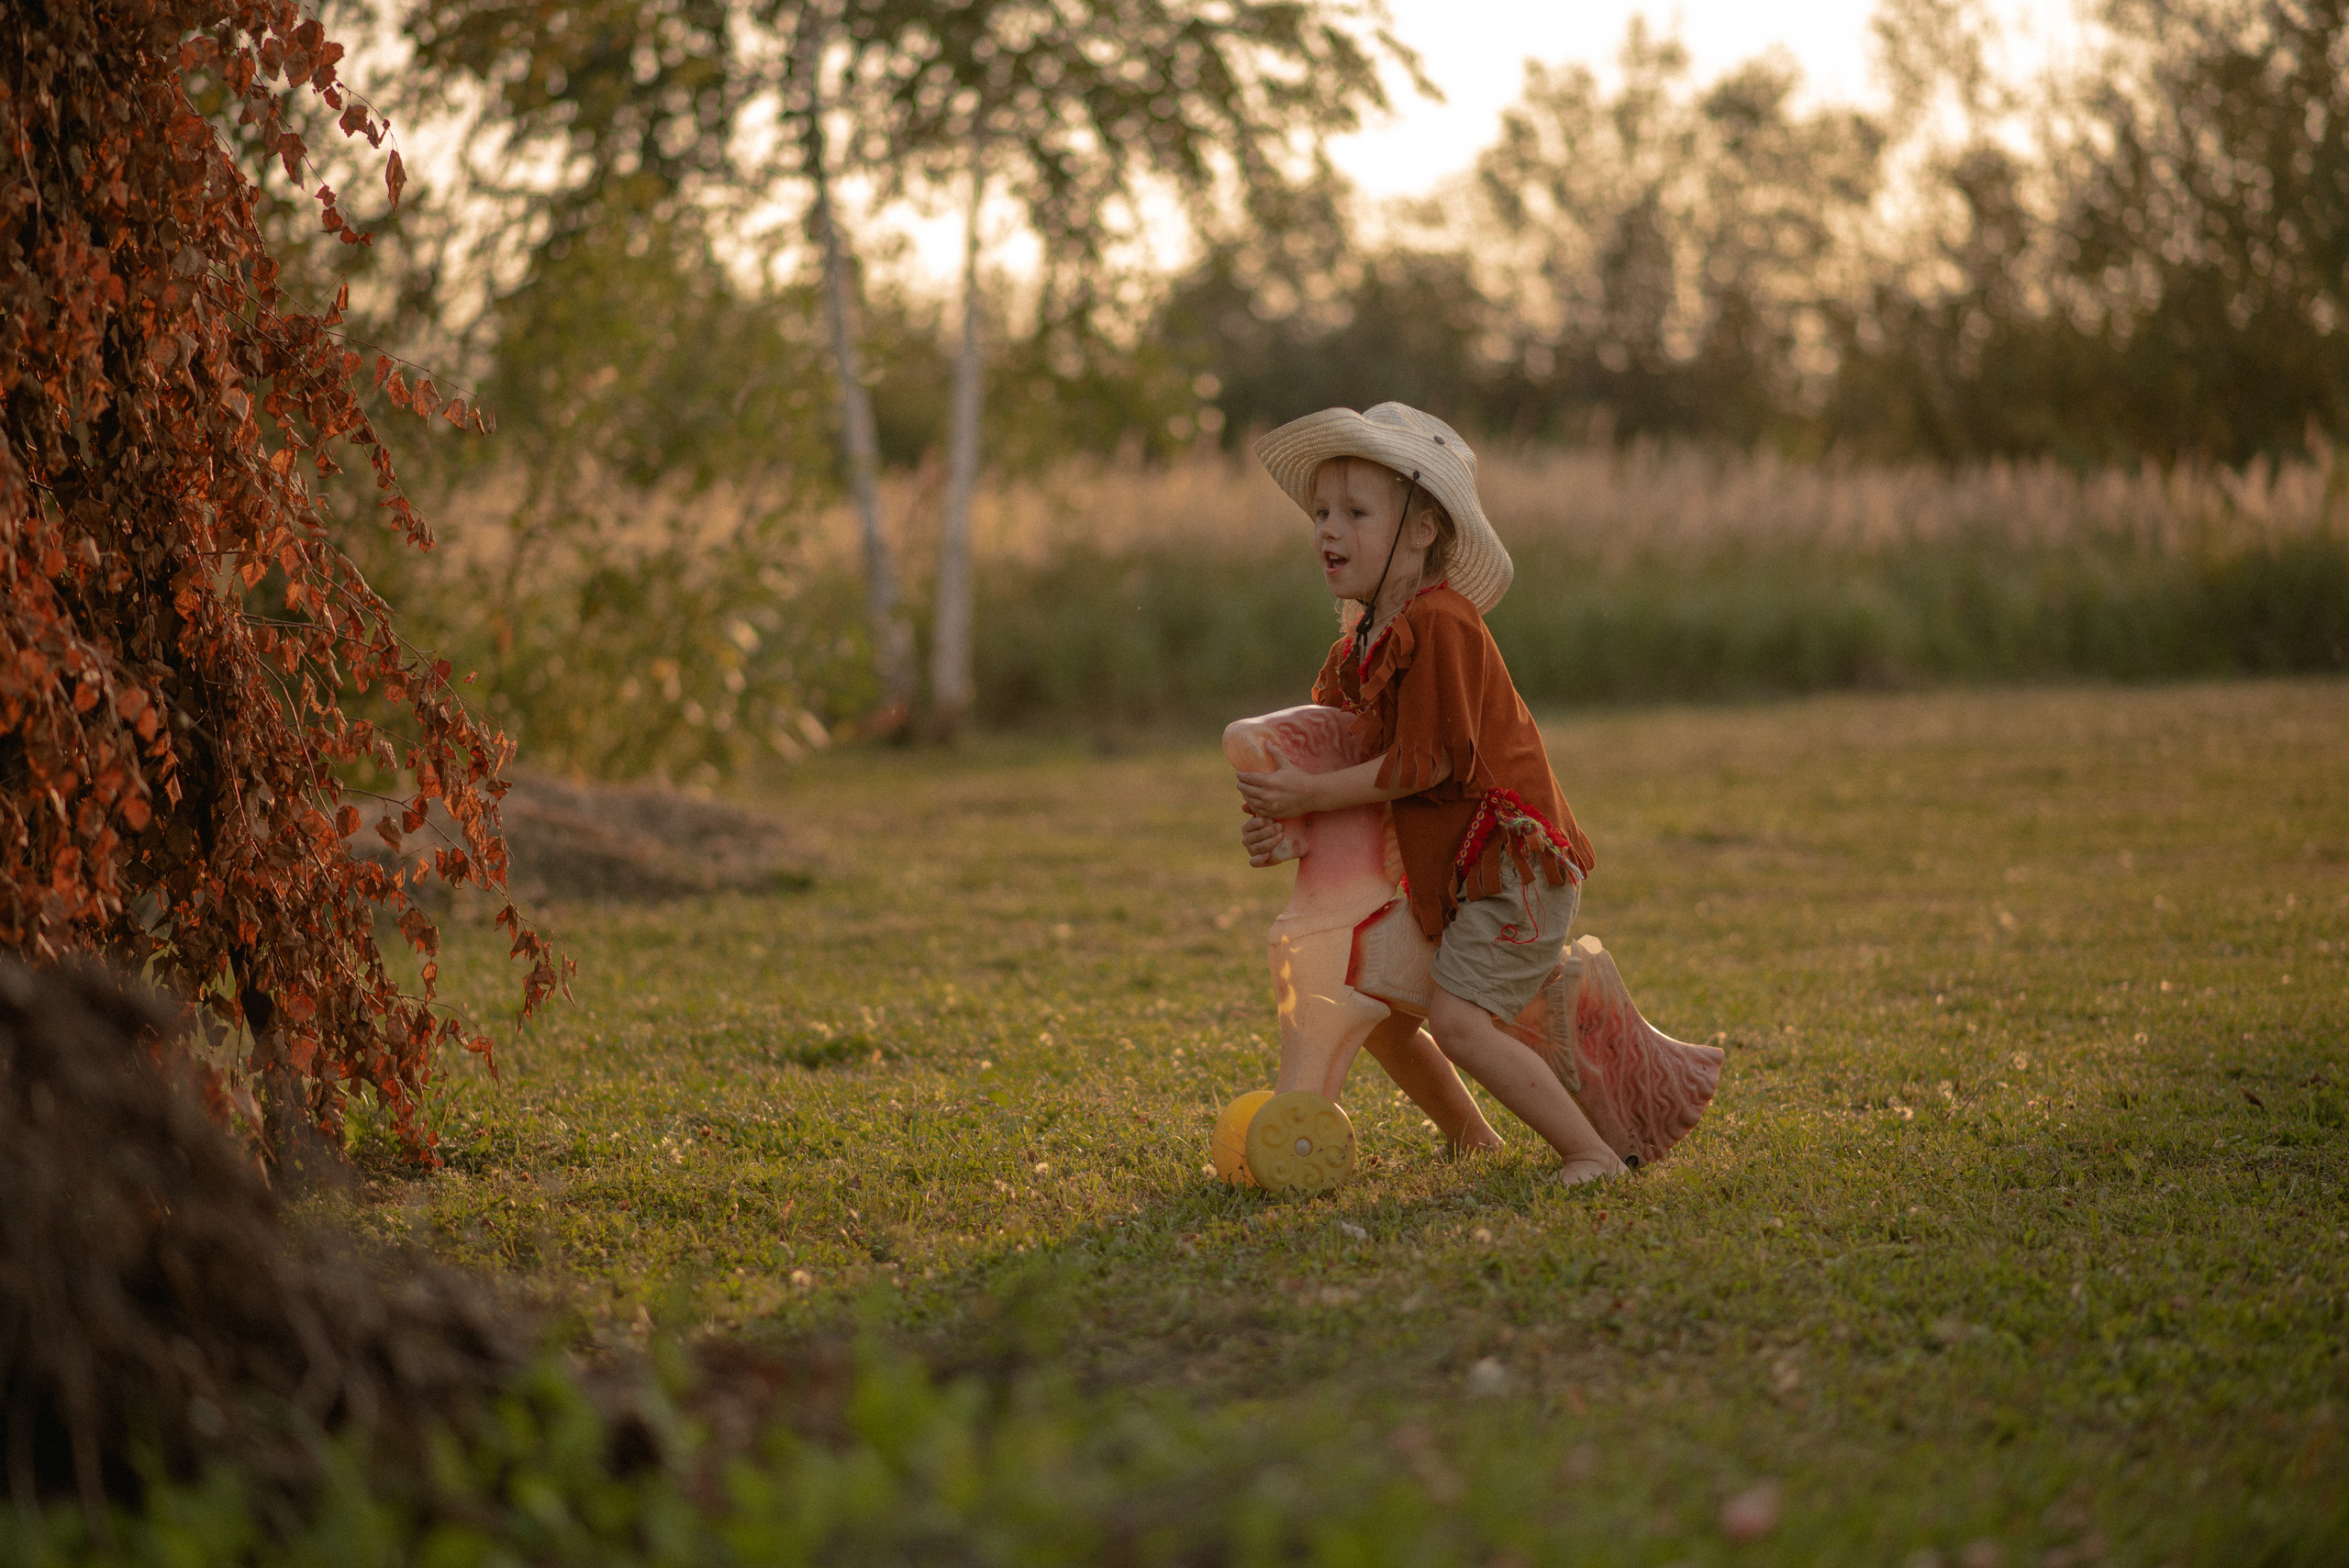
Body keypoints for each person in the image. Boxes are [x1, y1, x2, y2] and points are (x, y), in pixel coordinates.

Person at [1234, 403, 1626, 1185]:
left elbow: (1429, 762)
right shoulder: (1361, 644)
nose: (1328, 529)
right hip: (1455, 876)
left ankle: (1593, 1155)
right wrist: (1287, 819)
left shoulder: (1443, 623)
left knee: (1457, 1021)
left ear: (1421, 529)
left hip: (1513, 872)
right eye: (1321, 512)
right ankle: (1473, 1139)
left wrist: (1307, 792)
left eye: (1355, 512)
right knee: (1376, 998)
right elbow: (1344, 751)